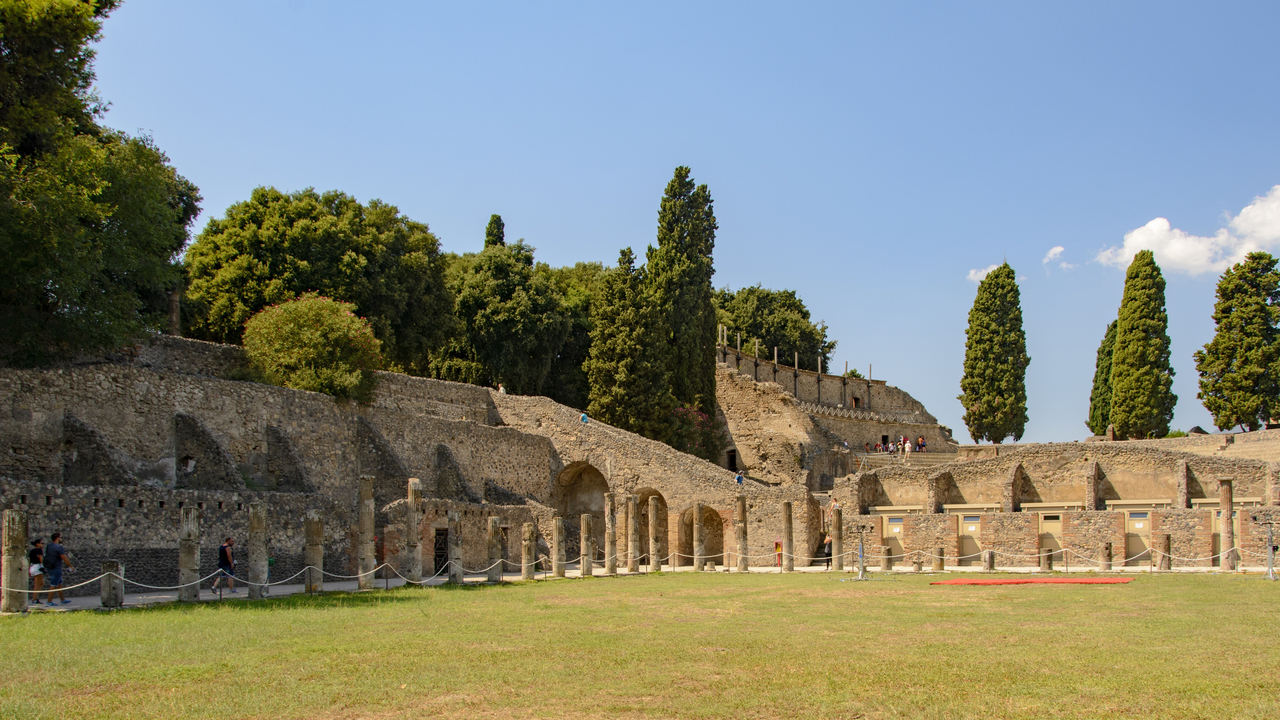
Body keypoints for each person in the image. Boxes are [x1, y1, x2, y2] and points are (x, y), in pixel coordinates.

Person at [43, 532, 74, 605]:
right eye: (60, 538)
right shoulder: (59, 547)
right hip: (56, 568)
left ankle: (62, 599)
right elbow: (64, 558)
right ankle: (49, 601)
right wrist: (70, 566)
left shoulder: (49, 546)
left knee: (59, 584)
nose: (61, 539)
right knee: (53, 584)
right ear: (57, 538)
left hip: (49, 567)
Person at [28, 538, 46, 605]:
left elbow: (29, 561)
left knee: (41, 583)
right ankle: (34, 599)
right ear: (37, 544)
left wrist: (28, 570)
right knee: (37, 585)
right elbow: (41, 558)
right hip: (38, 567)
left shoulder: (32, 551)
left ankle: (35, 597)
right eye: (41, 543)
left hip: (33, 567)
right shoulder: (39, 550)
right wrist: (43, 566)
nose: (42, 545)